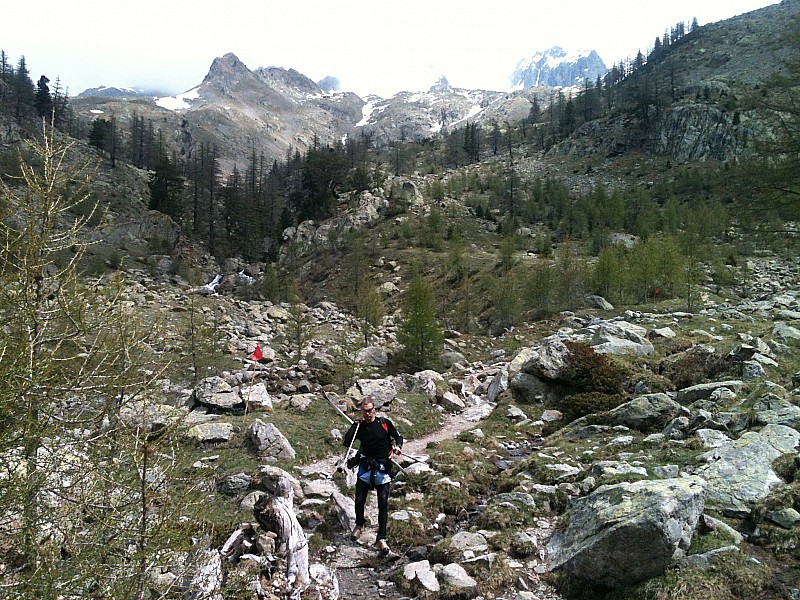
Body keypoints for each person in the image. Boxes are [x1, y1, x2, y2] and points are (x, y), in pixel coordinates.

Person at [342, 397, 403, 553]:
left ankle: (381, 538)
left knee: (382, 502)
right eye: (365, 411)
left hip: (383, 467)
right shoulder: (359, 427)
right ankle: (359, 524)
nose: (368, 413)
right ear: (361, 411)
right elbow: (347, 443)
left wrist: (398, 446)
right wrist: (354, 425)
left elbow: (398, 436)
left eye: (370, 410)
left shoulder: (384, 423)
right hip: (365, 466)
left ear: (374, 409)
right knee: (360, 499)